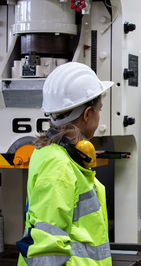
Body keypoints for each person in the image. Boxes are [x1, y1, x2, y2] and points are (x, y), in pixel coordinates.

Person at [16, 62, 113, 265]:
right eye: (99, 110)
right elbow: (46, 251)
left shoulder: (61, 157)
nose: (99, 116)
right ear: (87, 114)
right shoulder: (58, 165)